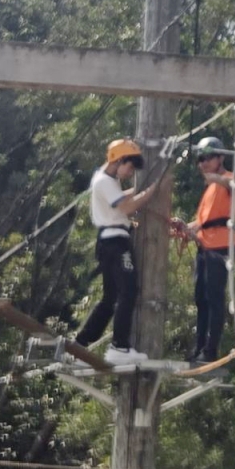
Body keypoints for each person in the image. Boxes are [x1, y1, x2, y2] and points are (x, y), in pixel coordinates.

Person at [74, 137, 163, 365]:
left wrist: (139, 190)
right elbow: (127, 207)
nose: (130, 172)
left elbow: (123, 199)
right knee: (128, 290)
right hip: (116, 243)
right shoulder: (105, 181)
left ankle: (80, 345)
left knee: (110, 297)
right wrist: (152, 191)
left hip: (109, 242)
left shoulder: (107, 180)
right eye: (130, 167)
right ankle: (120, 346)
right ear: (119, 160)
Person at [183, 137, 234, 365]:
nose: (203, 163)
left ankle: (211, 350)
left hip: (221, 246)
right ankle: (199, 347)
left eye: (208, 158)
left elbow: (234, 186)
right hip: (204, 246)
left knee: (214, 298)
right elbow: (202, 222)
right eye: (200, 159)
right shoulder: (210, 189)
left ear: (220, 158)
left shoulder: (228, 179)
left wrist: (217, 179)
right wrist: (184, 228)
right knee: (201, 300)